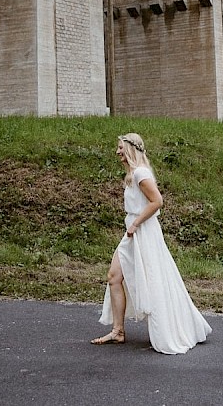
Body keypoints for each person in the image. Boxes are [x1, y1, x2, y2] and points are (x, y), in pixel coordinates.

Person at [91, 133, 212, 354]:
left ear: (130, 150)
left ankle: (163, 328)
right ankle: (118, 331)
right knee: (114, 277)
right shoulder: (133, 174)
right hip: (133, 231)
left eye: (120, 148)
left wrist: (135, 224)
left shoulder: (140, 173)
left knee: (153, 278)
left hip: (142, 231)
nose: (117, 152)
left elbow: (157, 201)